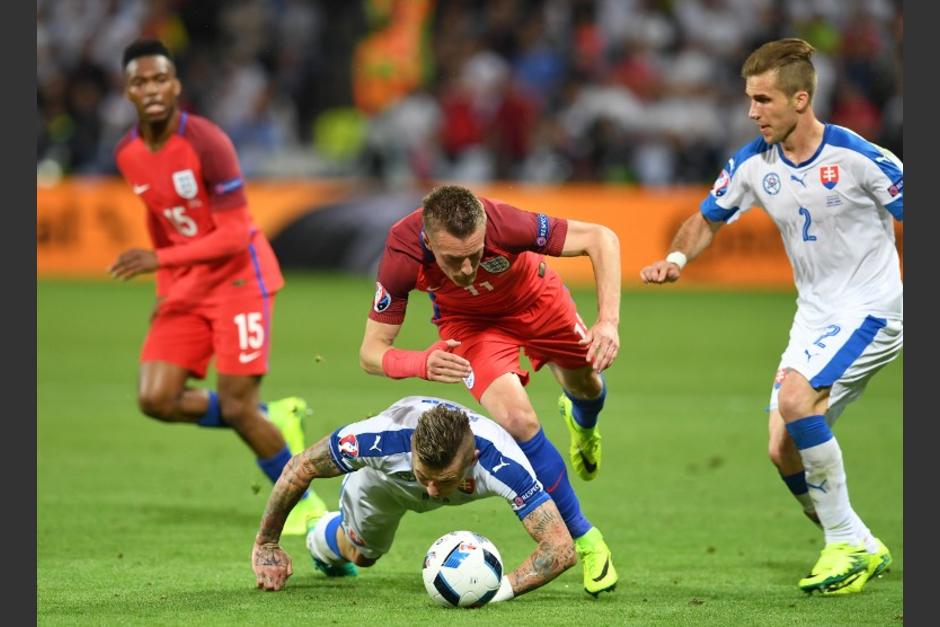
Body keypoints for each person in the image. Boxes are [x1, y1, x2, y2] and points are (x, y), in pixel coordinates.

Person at [640, 38, 902, 595]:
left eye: (763, 100)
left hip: (871, 308)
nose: (751, 112)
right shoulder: (753, 164)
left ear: (800, 100)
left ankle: (844, 543)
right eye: (749, 99)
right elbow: (706, 218)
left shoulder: (857, 157)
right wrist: (675, 259)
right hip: (814, 317)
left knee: (796, 400)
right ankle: (857, 538)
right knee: (781, 449)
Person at [357, 184, 621, 596]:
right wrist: (420, 362)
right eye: (453, 259)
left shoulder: (505, 223)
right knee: (517, 419)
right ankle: (586, 539)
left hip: (539, 301)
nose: (466, 270)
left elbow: (601, 238)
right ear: (428, 240)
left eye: (475, 255)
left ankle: (583, 422)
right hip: (471, 327)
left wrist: (608, 321)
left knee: (587, 387)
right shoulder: (402, 251)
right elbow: (371, 352)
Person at [108, 39, 326, 535]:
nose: (151, 89)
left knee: (235, 407)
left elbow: (232, 236)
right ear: (127, 91)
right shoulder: (127, 153)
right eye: (140, 82)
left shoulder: (208, 143)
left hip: (240, 279)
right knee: (156, 399)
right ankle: (275, 417)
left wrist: (160, 261)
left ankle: (307, 505)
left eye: (160, 79)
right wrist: (166, 287)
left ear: (176, 85)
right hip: (189, 281)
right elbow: (161, 220)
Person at [252, 395, 576, 603]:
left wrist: (496, 591)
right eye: (424, 476)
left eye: (444, 480)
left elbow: (560, 548)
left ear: (472, 459)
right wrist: (267, 544)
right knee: (361, 556)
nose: (432, 491)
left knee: (364, 555)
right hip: (383, 484)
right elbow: (300, 466)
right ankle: (322, 535)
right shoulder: (380, 439)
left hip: (445, 468)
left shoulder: (503, 463)